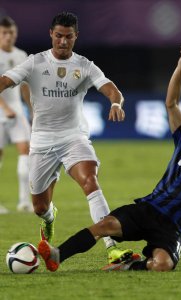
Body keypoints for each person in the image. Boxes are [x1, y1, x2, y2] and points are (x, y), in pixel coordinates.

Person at [37, 42, 181, 272]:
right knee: (104, 226)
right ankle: (57, 254)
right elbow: (171, 103)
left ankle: (130, 266)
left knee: (162, 265)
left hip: (172, 229)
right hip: (148, 210)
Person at [0, 11, 135, 263]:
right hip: (41, 141)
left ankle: (112, 247)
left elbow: (111, 89)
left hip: (74, 138)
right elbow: (6, 81)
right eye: (59, 36)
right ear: (51, 34)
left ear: (76, 37)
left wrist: (116, 104)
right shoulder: (35, 62)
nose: (63, 41)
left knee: (90, 182)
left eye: (68, 37)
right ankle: (50, 218)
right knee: (39, 207)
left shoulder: (84, 65)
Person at [0, 16, 32, 213]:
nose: (8, 36)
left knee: (25, 151)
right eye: (4, 33)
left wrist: (31, 109)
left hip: (17, 110)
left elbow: (25, 86)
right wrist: (5, 108)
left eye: (11, 32)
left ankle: (24, 200)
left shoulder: (21, 55)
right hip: (2, 110)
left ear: (16, 34)